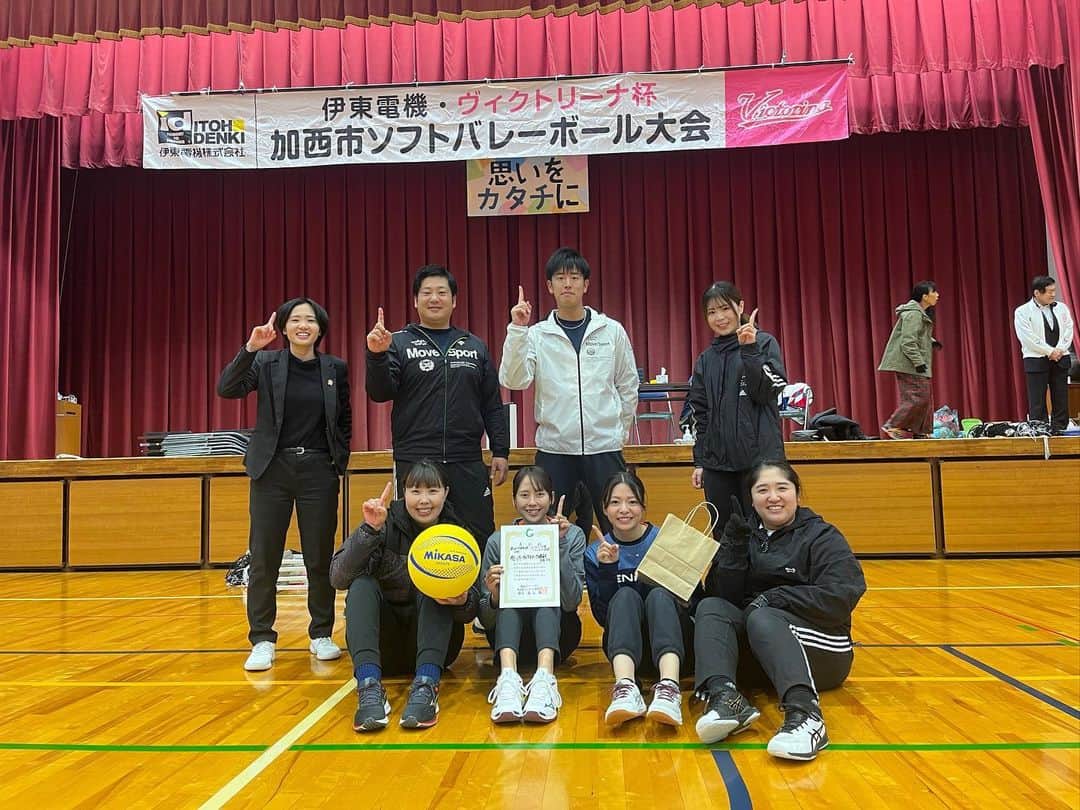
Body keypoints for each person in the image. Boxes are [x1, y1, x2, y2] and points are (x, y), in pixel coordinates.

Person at [692, 460, 866, 761]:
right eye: (762, 490)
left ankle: (807, 715)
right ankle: (726, 699)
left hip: (824, 650)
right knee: (711, 607)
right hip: (761, 651)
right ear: (752, 499)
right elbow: (721, 599)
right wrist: (733, 554)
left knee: (762, 615)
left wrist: (775, 598)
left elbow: (842, 595)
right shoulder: (745, 534)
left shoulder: (821, 536)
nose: (773, 497)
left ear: (797, 493)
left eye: (782, 488)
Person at [217, 298, 352, 672]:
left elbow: (343, 418)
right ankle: (262, 638)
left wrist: (337, 461)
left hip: (318, 470)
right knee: (264, 557)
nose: (303, 325)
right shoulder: (265, 362)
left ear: (320, 328)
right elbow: (227, 388)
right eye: (295, 319)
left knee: (319, 556)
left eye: (310, 319)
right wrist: (250, 348)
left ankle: (321, 633)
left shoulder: (335, 368)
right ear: (285, 327)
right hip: (272, 469)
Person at [330, 462, 480, 732]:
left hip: (435, 648)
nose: (424, 500)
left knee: (435, 582)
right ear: (404, 493)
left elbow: (472, 609)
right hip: (383, 647)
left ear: (446, 493)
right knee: (361, 584)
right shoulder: (383, 522)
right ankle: (369, 687)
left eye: (432, 491)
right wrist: (369, 530)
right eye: (415, 491)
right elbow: (338, 577)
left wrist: (463, 601)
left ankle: (426, 686)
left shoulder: (457, 534)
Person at [499, 247, 639, 534]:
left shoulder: (611, 330)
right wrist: (517, 329)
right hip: (555, 449)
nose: (567, 284)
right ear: (549, 286)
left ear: (586, 285)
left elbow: (627, 384)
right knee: (546, 526)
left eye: (574, 277)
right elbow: (514, 380)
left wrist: (619, 432)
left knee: (617, 523)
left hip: (604, 447)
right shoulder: (536, 334)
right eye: (560, 278)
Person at [366, 264, 509, 542]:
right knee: (414, 537)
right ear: (415, 300)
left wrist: (500, 450)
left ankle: (478, 575)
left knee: (477, 534)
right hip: (416, 457)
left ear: (454, 300)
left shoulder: (474, 346)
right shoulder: (398, 343)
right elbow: (380, 393)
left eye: (442, 292)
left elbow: (491, 404)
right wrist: (377, 356)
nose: (434, 298)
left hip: (466, 458)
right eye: (427, 292)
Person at [584, 471, 692, 727]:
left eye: (632, 502)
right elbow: (603, 618)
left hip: (675, 651)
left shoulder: (665, 540)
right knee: (625, 595)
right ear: (605, 509)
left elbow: (694, 601)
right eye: (615, 502)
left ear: (643, 506)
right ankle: (625, 688)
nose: (624, 509)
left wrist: (681, 591)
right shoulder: (595, 552)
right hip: (630, 657)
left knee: (658, 595)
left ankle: (669, 689)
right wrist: (608, 570)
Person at [481, 466, 586, 724]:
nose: (532, 503)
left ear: (551, 497)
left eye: (539, 494)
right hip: (508, 640)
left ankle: (545, 680)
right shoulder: (498, 540)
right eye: (524, 495)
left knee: (545, 594)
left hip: (559, 635)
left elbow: (572, 601)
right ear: (513, 500)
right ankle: (507, 680)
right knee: (509, 597)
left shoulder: (572, 535)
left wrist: (559, 544)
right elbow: (485, 618)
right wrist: (494, 595)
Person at [686, 282, 787, 539]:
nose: (719, 317)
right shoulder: (706, 359)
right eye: (711, 312)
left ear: (740, 306)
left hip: (760, 463)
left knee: (765, 533)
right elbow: (699, 413)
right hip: (717, 467)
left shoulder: (764, 343)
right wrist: (701, 461)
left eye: (725, 308)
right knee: (724, 537)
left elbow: (767, 392)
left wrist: (750, 350)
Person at [879, 281, 940, 439]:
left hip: (913, 362)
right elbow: (907, 342)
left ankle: (920, 432)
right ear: (924, 296)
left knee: (924, 398)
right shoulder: (914, 314)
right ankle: (893, 425)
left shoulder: (919, 313)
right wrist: (918, 362)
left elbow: (916, 336)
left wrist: (931, 341)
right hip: (909, 363)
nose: (937, 295)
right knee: (918, 396)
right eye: (934, 292)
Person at [1014, 275, 1074, 433]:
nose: (1053, 294)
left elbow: (1069, 329)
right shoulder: (1022, 311)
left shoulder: (1062, 308)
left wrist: (1059, 349)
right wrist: (1049, 351)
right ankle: (1040, 429)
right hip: (1036, 359)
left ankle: (1060, 428)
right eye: (1049, 292)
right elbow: (1027, 337)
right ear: (1037, 293)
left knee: (1061, 397)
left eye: (1054, 291)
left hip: (1061, 357)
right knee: (1037, 399)